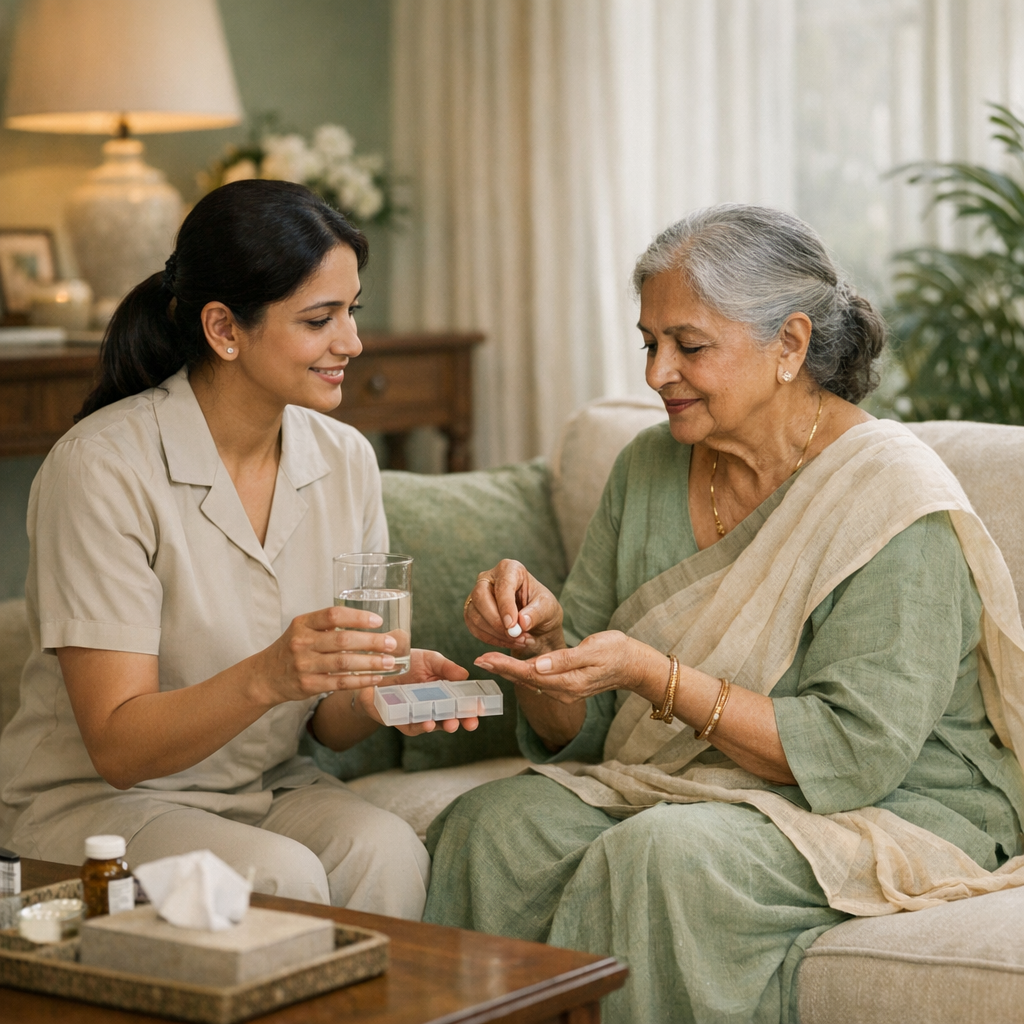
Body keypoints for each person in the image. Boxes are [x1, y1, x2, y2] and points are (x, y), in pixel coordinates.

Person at [424, 205, 1024, 1022]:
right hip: (703, 782)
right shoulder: (647, 466)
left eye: (689, 345)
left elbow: (852, 757)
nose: (655, 374)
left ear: (790, 345)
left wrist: (652, 672)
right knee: (494, 824)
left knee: (665, 857)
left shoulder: (890, 498)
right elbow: (588, 728)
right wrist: (545, 649)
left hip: (898, 801)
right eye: (649, 343)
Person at [0, 179, 477, 920]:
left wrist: (381, 693)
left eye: (353, 312)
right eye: (320, 319)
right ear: (224, 329)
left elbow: (325, 720)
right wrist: (271, 673)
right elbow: (120, 748)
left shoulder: (345, 459)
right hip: (102, 804)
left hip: (265, 787)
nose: (351, 342)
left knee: (386, 850)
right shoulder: (102, 468)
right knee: (275, 875)